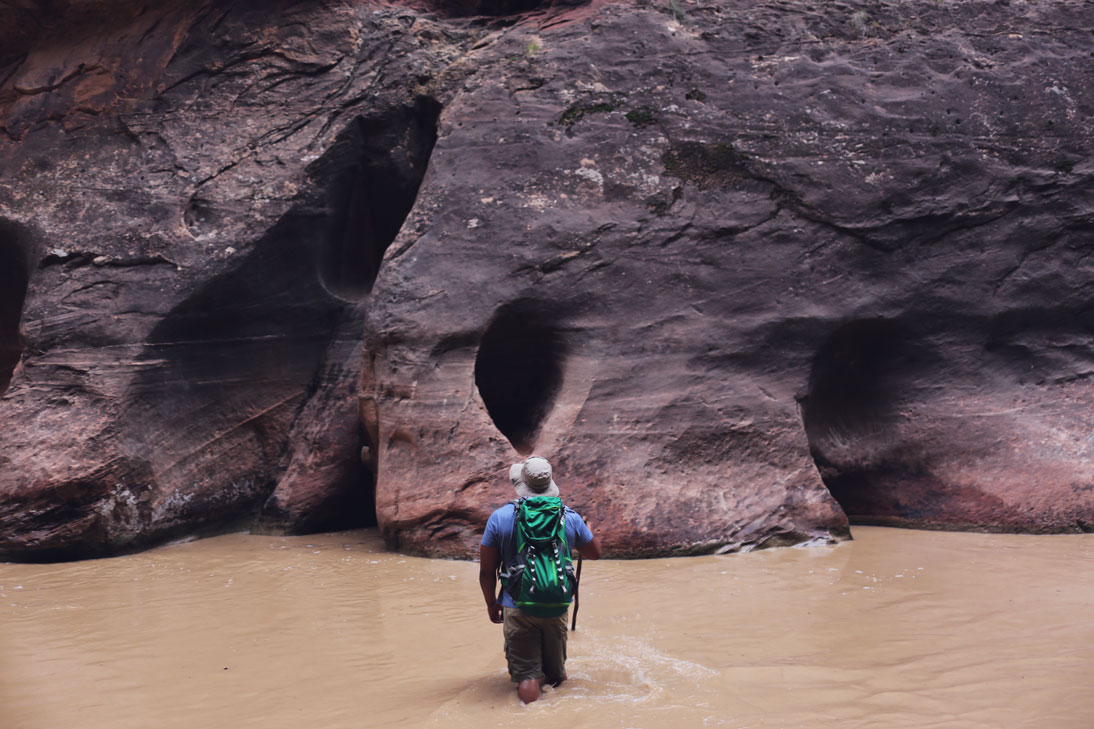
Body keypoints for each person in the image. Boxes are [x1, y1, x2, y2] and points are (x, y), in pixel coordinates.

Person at [479, 456, 602, 703]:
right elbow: (595, 553)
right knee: (556, 676)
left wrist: (492, 603)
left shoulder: (500, 518)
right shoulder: (570, 516)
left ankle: (532, 718)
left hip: (516, 604)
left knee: (528, 677)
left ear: (521, 483)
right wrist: (590, 528)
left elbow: (486, 571)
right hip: (556, 604)